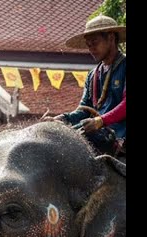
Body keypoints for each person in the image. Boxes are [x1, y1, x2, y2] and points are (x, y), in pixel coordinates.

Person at [55, 16, 127, 157]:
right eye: (88, 45)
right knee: (57, 138)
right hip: (96, 132)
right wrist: (64, 118)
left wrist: (101, 121)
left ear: (111, 38)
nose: (91, 49)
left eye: (94, 43)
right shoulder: (93, 75)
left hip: (120, 136)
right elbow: (84, 109)